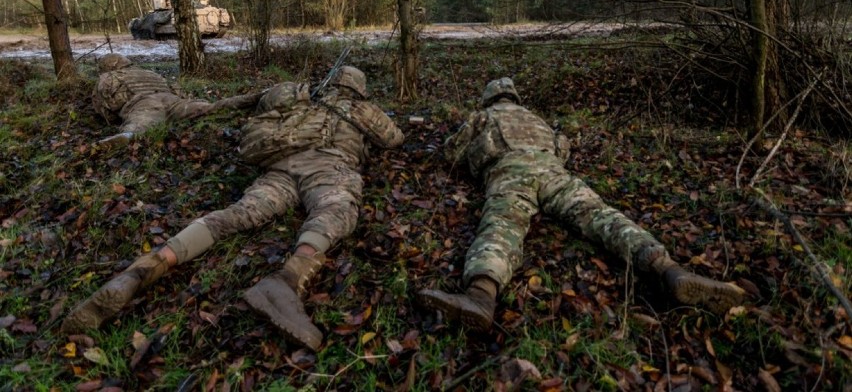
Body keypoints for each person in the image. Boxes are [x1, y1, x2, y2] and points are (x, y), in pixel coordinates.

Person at [62, 66, 404, 351]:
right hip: (329, 169)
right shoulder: (362, 111)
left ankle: (144, 267)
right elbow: (393, 138)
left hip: (281, 168)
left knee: (237, 214)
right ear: (359, 90)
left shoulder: (303, 104)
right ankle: (287, 278)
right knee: (335, 211)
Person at [418, 77, 746, 330]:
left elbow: (452, 153)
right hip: (554, 173)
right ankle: (669, 270)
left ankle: (481, 295)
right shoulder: (537, 120)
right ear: (516, 98)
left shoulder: (483, 117)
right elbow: (563, 148)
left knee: (502, 225)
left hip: (510, 173)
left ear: (490, 98)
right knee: (602, 216)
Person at [92, 53, 261, 147]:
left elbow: (105, 105)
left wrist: (114, 116)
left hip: (143, 103)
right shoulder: (151, 73)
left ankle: (127, 136)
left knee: (141, 124)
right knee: (209, 108)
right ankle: (252, 99)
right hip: (172, 99)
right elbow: (176, 89)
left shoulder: (109, 76)